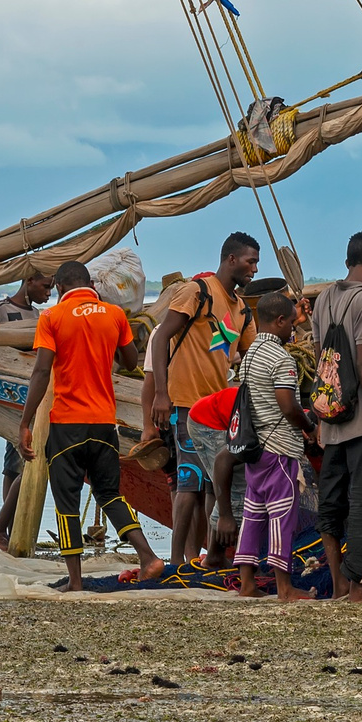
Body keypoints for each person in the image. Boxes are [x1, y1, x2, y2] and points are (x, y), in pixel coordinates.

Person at [18, 260, 159, 591]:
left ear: (63, 288)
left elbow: (41, 372)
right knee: (109, 493)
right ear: (90, 285)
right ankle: (149, 557)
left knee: (67, 501)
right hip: (104, 425)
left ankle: (76, 582)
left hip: (67, 424)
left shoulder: (52, 318)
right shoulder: (114, 315)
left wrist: (25, 422)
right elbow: (128, 361)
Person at [144, 231, 258, 567]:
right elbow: (161, 336)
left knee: (213, 485)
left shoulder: (241, 309)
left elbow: (255, 355)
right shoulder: (198, 292)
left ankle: (208, 557)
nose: (254, 269)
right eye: (250, 261)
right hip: (184, 403)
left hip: (216, 410)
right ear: (231, 259)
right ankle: (177, 561)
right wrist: (161, 396)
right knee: (188, 482)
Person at [310, 231, 362, 602]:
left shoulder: (323, 297)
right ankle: (359, 589)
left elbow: (319, 360)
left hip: (331, 421)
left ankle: (337, 585)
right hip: (360, 423)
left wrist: (320, 419)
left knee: (330, 503)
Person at [232, 288, 311, 601]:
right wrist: (308, 426)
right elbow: (289, 406)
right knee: (282, 515)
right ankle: (284, 588)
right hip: (279, 448)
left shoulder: (250, 354)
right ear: (280, 322)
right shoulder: (281, 358)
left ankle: (247, 584)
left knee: (253, 514)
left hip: (254, 449)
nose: (294, 329)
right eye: (292, 323)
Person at [0, 272, 56, 550]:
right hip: (12, 398)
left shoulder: (37, 315)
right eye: (46, 286)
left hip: (32, 396)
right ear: (29, 281)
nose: (49, 293)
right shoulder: (1, 309)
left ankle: (7, 529)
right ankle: (4, 529)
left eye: (53, 288)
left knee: (16, 464)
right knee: (15, 464)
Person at [190, 383, 242, 568]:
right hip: (207, 423)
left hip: (223, 418)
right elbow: (223, 463)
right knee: (237, 484)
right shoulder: (262, 423)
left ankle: (216, 556)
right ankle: (226, 557)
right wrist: (226, 516)